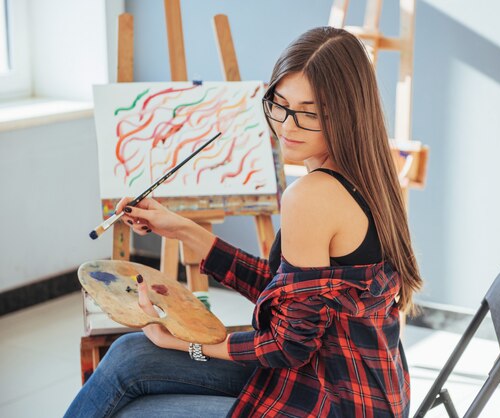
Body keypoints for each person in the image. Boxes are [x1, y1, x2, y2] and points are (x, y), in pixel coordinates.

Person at [65, 26, 422, 417]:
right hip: (365, 386)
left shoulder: (311, 196)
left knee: (133, 402)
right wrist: (180, 227)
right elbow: (287, 295)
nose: (286, 127)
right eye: (280, 104)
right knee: (129, 354)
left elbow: (288, 347)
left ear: (346, 113)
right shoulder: (370, 172)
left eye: (308, 114)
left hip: (331, 399)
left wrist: (184, 344)